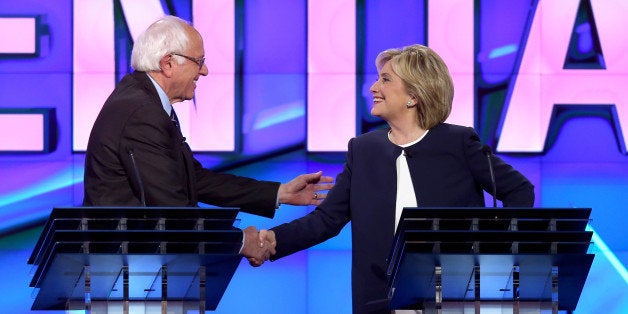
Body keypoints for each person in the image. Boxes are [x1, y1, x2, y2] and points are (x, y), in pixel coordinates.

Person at [256, 44, 535, 314]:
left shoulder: (458, 143)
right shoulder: (363, 150)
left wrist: (488, 253)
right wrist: (271, 240)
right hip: (379, 300)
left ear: (414, 95)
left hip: (451, 298)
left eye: (385, 80)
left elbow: (520, 191)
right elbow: (326, 220)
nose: (373, 88)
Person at [82, 15, 332, 261]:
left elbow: (194, 179)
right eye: (198, 61)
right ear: (168, 63)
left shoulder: (146, 101)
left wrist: (279, 192)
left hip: (137, 267)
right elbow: (172, 209)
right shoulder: (141, 112)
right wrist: (241, 241)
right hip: (126, 270)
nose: (204, 71)